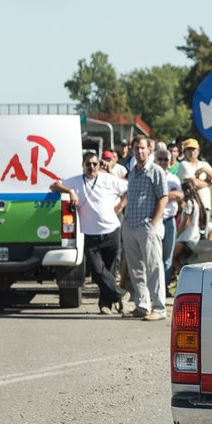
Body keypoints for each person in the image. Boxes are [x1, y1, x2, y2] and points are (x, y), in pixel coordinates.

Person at [50, 151, 127, 314]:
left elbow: (129, 188)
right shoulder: (76, 181)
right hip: (91, 234)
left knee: (110, 271)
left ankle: (105, 305)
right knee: (97, 272)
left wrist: (120, 206)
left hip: (111, 231)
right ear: (83, 166)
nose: (91, 167)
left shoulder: (108, 179)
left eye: (94, 164)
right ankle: (120, 295)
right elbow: (54, 185)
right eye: (88, 164)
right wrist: (69, 191)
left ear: (99, 165)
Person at [121, 135, 169, 321]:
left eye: (142, 148)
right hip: (131, 225)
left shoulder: (155, 170)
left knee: (154, 267)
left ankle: (159, 307)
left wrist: (153, 222)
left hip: (147, 226)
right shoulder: (132, 171)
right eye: (136, 148)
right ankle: (142, 305)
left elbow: (163, 197)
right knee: (136, 269)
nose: (139, 151)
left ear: (149, 149)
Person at [175, 138, 212, 242]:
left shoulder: (203, 164)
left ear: (198, 151)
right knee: (192, 235)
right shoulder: (183, 165)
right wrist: (208, 182)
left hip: (205, 205)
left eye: (194, 149)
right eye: (189, 149)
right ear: (184, 152)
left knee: (203, 233)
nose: (192, 152)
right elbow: (193, 184)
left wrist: (204, 169)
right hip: (192, 206)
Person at [156, 147, 183, 288]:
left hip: (169, 221)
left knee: (168, 256)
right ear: (155, 160)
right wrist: (169, 196)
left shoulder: (173, 178)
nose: (163, 162)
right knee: (154, 257)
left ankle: (164, 287)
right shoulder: (151, 176)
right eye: (160, 159)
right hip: (155, 220)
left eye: (165, 159)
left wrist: (162, 197)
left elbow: (180, 195)